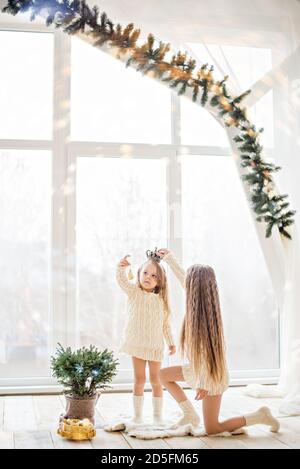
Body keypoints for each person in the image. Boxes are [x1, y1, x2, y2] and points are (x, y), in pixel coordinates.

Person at [157, 248, 280, 435]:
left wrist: (204, 384)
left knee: (213, 429)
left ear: (194, 289)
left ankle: (259, 416)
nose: (186, 287)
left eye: (189, 284)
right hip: (197, 369)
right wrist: (169, 258)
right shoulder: (199, 300)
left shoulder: (205, 322)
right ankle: (190, 414)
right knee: (163, 375)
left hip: (212, 375)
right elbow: (185, 279)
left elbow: (208, 357)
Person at [116, 249, 176, 424]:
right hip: (137, 344)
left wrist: (171, 343)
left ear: (160, 282)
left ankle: (158, 415)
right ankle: (137, 414)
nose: (148, 277)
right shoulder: (134, 292)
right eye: (145, 273)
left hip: (155, 346)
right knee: (139, 379)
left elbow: (165, 325)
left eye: (154, 276)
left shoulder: (161, 301)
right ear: (139, 273)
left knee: (156, 379)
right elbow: (122, 281)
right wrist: (120, 268)